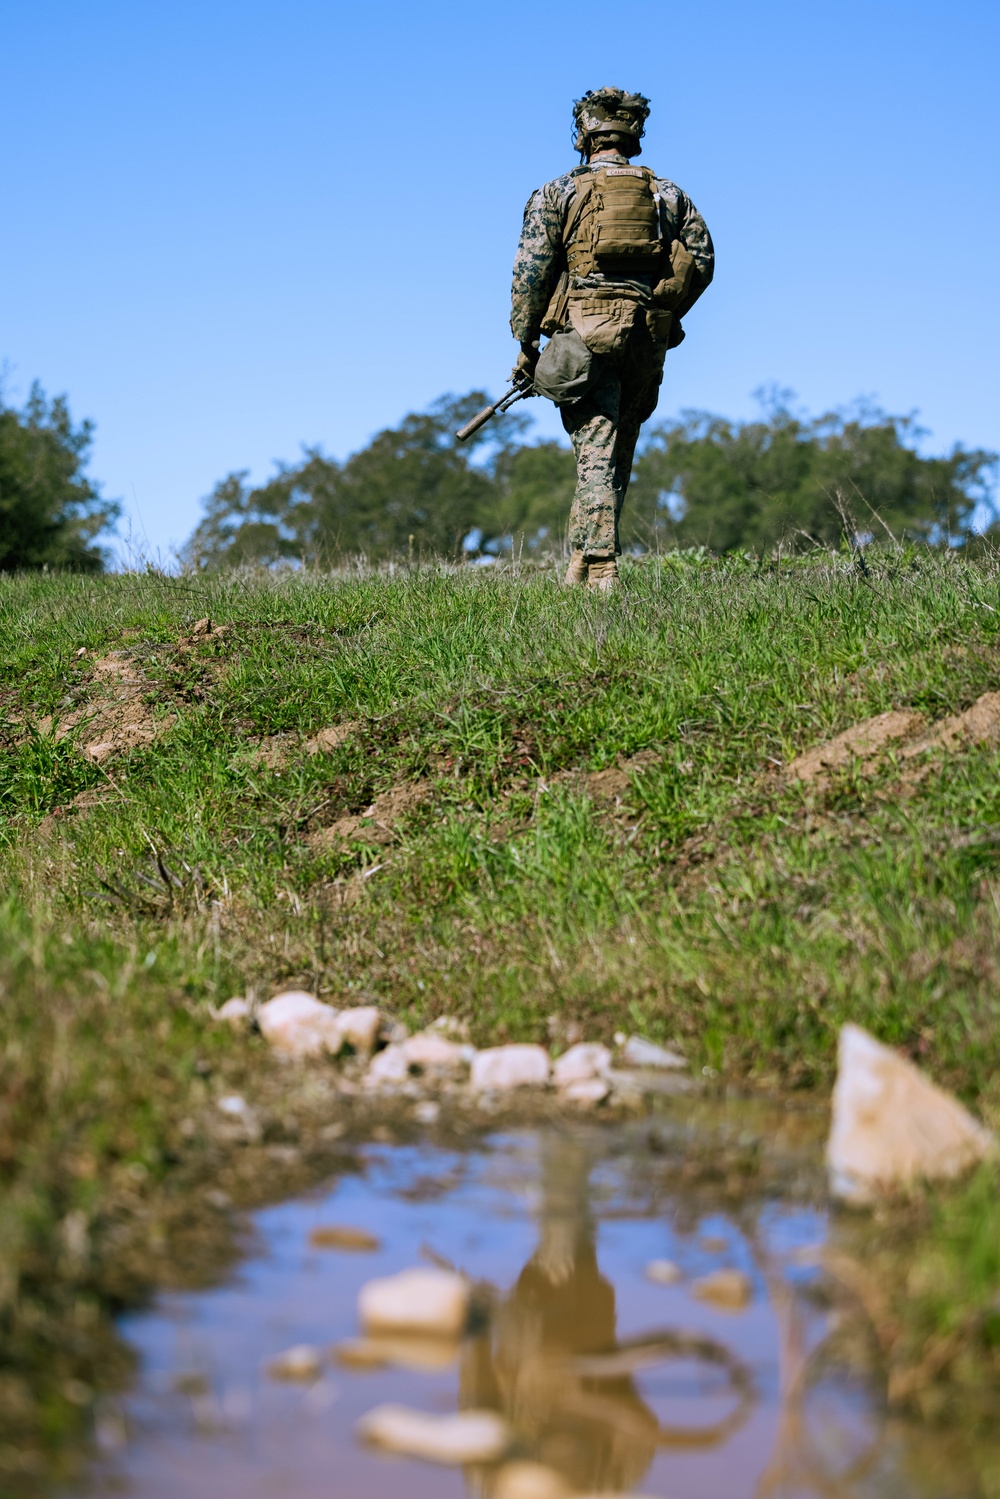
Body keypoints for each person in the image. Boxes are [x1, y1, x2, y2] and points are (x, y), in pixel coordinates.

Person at [510, 87, 714, 590]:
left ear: (584, 133)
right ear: (632, 134)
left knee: (594, 446)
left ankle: (602, 566)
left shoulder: (557, 191)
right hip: (646, 336)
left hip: (582, 334)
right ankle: (580, 566)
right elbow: (703, 264)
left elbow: (530, 275)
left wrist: (525, 341)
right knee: (618, 446)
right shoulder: (667, 194)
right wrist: (665, 315)